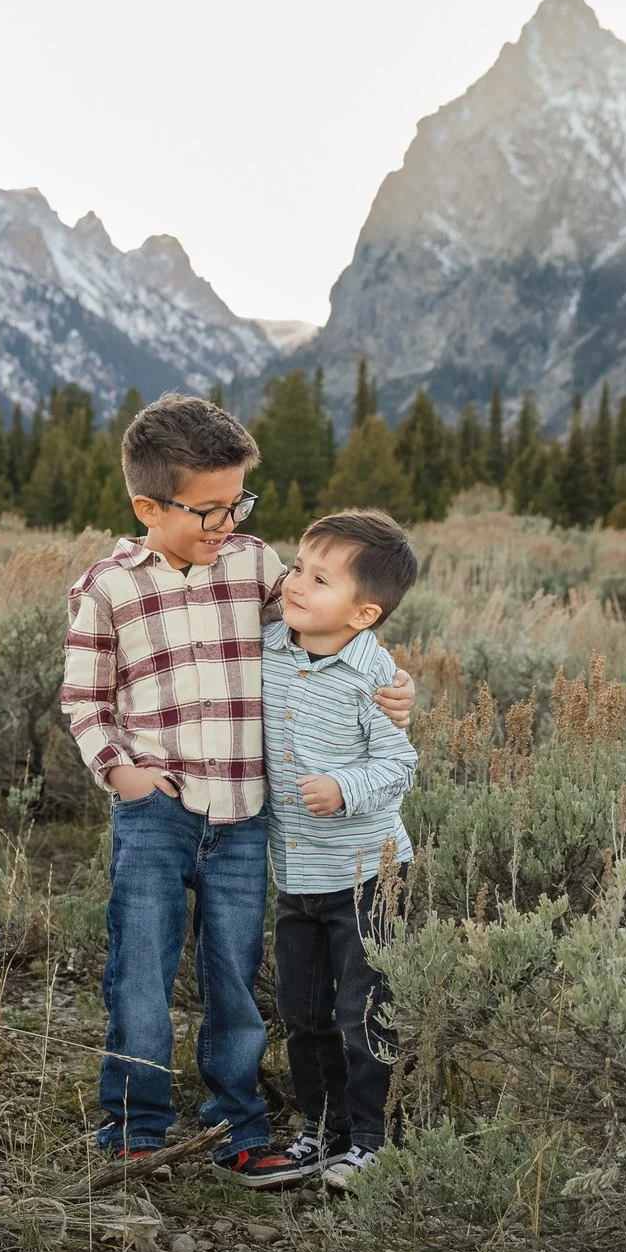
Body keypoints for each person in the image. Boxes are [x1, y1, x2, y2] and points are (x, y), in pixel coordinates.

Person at [61, 394, 412, 1187]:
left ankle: (237, 1124)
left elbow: (328, 617)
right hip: (156, 813)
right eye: (210, 510)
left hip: (244, 815)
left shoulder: (255, 566)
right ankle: (133, 1128)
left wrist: (387, 681)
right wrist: (120, 770)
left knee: (233, 977)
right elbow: (84, 701)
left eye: (238, 505)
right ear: (148, 505)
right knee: (141, 971)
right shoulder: (107, 589)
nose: (228, 524)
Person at [263, 508, 419, 1194]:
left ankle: (371, 1140)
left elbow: (399, 764)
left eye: (318, 579)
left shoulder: (373, 676)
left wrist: (343, 786)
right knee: (302, 1012)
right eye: (297, 566)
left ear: (363, 613)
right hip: (296, 872)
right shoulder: (270, 647)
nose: (295, 583)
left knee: (363, 1011)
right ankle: (319, 1131)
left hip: (366, 875)